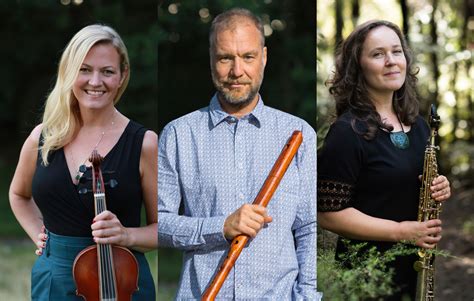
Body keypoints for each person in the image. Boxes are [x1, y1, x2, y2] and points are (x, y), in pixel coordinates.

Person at [158, 8, 321, 300]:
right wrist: (220, 226)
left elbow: (309, 228)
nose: (237, 71)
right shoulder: (179, 134)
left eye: (248, 57)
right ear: (211, 59)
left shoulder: (299, 134)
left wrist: (308, 297)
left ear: (264, 57)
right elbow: (157, 225)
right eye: (225, 58)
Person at [9, 24, 157, 300]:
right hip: (54, 281)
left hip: (122, 281)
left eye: (107, 71)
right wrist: (37, 233)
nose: (95, 81)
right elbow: (18, 194)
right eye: (85, 69)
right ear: (68, 72)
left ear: (122, 76)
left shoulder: (144, 143)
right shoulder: (42, 137)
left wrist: (127, 236)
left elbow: (164, 229)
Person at [317, 20, 451, 300]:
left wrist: (439, 185)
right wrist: (401, 231)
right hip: (367, 277)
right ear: (358, 67)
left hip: (412, 269)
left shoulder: (419, 126)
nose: (391, 61)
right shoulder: (347, 132)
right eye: (378, 54)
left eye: (396, 51)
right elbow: (327, 214)